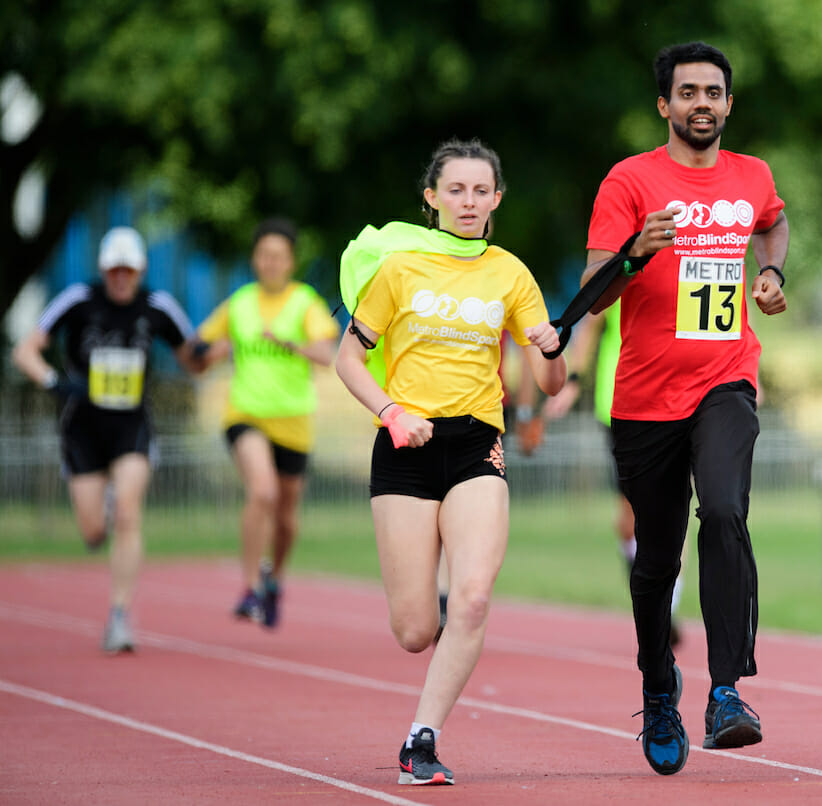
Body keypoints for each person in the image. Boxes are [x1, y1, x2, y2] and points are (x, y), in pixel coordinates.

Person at [581, 41, 788, 775]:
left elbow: (772, 218)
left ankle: (727, 691)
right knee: (656, 558)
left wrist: (770, 271)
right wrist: (635, 253)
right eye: (688, 92)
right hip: (644, 397)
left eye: (714, 93)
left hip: (726, 379)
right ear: (664, 106)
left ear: (729, 105)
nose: (702, 103)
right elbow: (594, 294)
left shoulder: (752, 175)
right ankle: (658, 687)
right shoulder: (629, 181)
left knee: (727, 511)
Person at [334, 138, 565, 786]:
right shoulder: (399, 270)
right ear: (431, 198)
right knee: (415, 629)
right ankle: (430, 631)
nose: (469, 201)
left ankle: (421, 738)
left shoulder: (511, 274)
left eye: (480, 190)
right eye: (455, 190)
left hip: (476, 444)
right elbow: (347, 359)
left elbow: (549, 382)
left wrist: (550, 348)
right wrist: (391, 413)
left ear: (496, 198)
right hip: (406, 446)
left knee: (472, 598)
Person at [11, 225, 201, 653]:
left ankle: (119, 616)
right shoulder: (78, 300)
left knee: (129, 513)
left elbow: (191, 356)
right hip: (82, 427)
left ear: (140, 271)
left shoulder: (158, 306)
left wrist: (214, 350)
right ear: (103, 269)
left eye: (128, 271)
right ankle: (99, 519)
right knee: (94, 529)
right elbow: (25, 350)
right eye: (114, 270)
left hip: (132, 424)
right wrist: (56, 382)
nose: (121, 278)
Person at [194, 218, 338, 628]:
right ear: (255, 260)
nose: (271, 263)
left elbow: (329, 356)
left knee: (287, 517)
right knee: (262, 491)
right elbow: (200, 349)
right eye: (264, 255)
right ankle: (249, 587)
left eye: (279, 256)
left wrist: (290, 344)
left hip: (293, 420)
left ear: (291, 261)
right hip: (246, 413)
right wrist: (208, 354)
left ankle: (275, 579)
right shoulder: (239, 303)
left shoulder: (304, 302)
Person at [542, 305, 684, 647]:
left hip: (677, 399)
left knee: (675, 507)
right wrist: (573, 380)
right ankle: (643, 581)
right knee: (630, 517)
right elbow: (590, 325)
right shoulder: (622, 261)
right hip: (621, 403)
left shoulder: (687, 257)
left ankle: (667, 609)